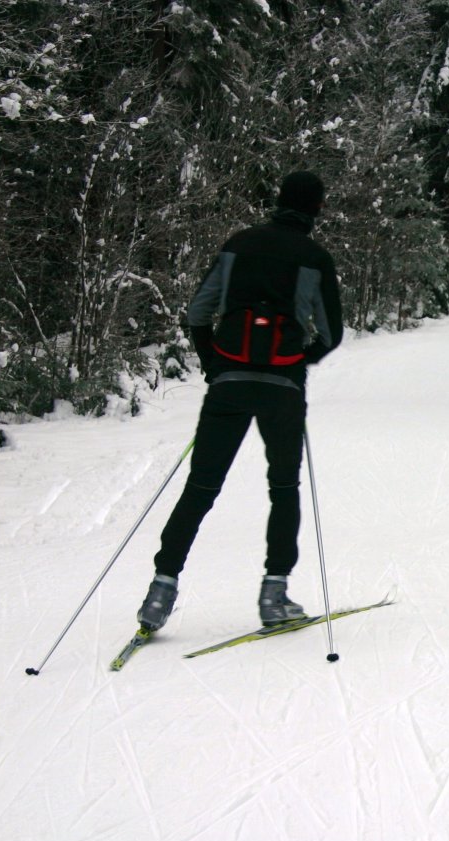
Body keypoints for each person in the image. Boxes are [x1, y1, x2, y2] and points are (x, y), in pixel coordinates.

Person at [136, 170, 344, 633]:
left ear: (279, 199)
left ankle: (160, 591)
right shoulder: (316, 258)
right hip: (282, 389)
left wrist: (213, 359)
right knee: (283, 488)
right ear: (317, 208)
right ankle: (274, 594)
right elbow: (332, 334)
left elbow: (197, 311)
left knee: (201, 487)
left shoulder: (239, 243)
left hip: (228, 380)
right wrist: (297, 362)